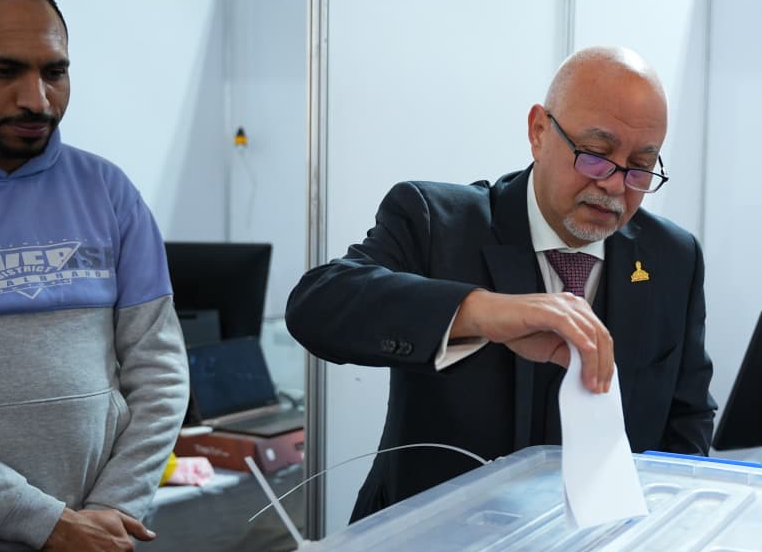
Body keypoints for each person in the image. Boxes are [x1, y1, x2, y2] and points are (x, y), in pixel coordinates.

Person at [286, 45, 716, 521]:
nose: (614, 184)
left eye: (639, 167)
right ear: (539, 132)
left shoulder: (672, 257)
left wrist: (663, 523)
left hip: (601, 549)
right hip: (431, 543)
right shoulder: (435, 223)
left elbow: (688, 416)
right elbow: (317, 304)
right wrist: (479, 312)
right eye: (595, 155)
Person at [0, 0, 189, 552]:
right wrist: (52, 528)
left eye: (54, 72)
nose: (36, 98)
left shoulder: (107, 191)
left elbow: (160, 376)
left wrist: (99, 527)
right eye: (4, 71)